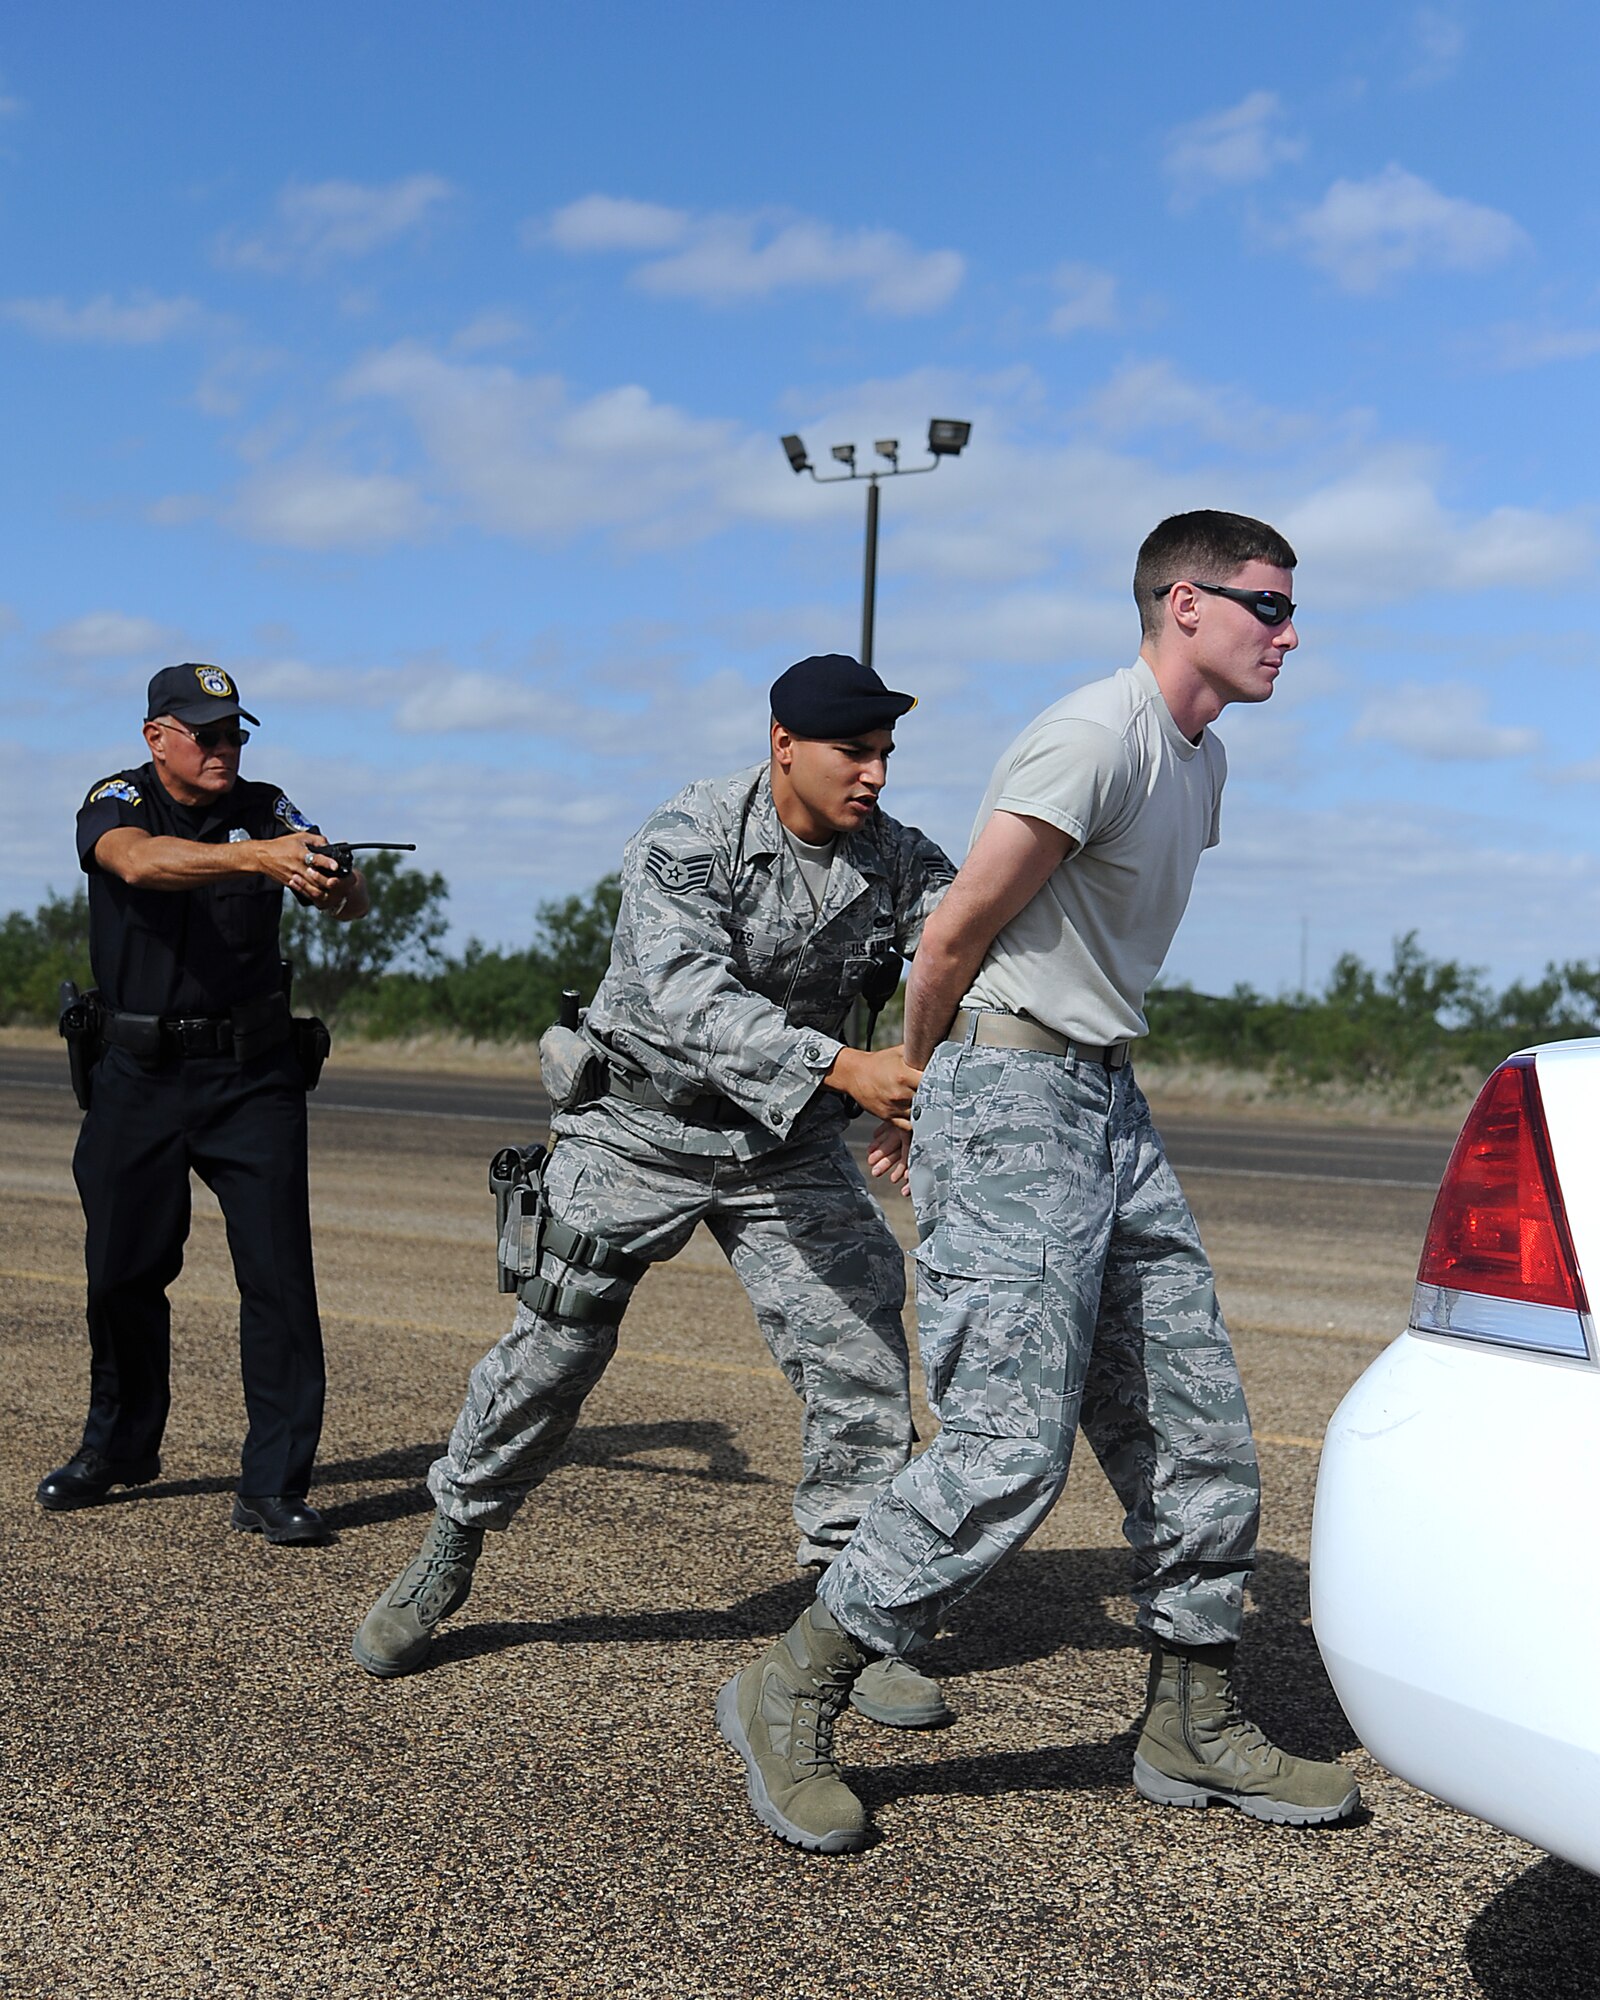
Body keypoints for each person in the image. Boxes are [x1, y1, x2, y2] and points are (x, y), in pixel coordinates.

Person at [717, 511, 1363, 1853]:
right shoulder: (1095, 734)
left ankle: (1191, 1717)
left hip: (1105, 1096)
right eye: (1266, 604)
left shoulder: (1204, 761)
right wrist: (927, 1089)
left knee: (1198, 1422)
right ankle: (793, 1686)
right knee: (1010, 1448)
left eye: (1292, 608)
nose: (1288, 632)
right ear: (1183, 604)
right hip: (1012, 1090)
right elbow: (951, 936)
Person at [353, 654, 957, 1729]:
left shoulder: (898, 856)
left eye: (883, 755)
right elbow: (685, 993)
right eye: (852, 753)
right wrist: (844, 1066)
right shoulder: (690, 831)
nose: (874, 774)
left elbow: (959, 953)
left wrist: (918, 1072)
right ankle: (450, 1542)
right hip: (636, 1125)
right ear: (784, 744)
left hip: (782, 1147)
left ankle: (850, 1616)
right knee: (553, 1348)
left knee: (857, 1359)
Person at [36, 662, 370, 1546]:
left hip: (251, 1079)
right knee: (121, 1273)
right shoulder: (119, 799)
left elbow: (345, 889)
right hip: (137, 1074)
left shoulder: (271, 806)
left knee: (277, 1280)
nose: (226, 748)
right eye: (206, 733)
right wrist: (253, 858)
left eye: (235, 733)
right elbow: (135, 864)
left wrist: (335, 884)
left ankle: (273, 1483)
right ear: (157, 737)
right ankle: (117, 1448)